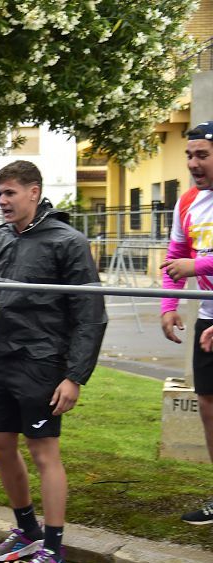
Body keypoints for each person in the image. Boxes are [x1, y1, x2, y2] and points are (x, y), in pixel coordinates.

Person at [0, 160, 107, 563]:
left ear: (34, 192)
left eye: (10, 193)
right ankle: (27, 530)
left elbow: (91, 314)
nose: (2, 201)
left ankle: (55, 552)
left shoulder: (67, 241)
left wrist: (75, 376)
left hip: (43, 361)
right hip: (1, 357)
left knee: (44, 452)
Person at [160, 120, 213, 525]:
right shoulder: (187, 202)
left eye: (203, 155)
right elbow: (174, 253)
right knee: (208, 407)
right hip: (207, 315)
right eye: (190, 156)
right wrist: (169, 304)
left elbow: (188, 261)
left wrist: (195, 265)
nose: (194, 163)